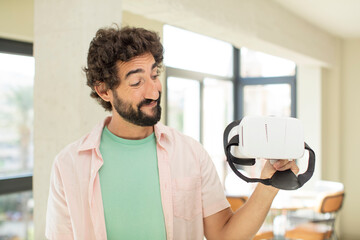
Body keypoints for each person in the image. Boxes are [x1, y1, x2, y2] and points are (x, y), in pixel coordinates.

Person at [45, 26, 299, 240]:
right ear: (104, 91)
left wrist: (268, 185)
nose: (154, 91)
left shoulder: (190, 153)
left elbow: (223, 234)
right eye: (136, 82)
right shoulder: (69, 166)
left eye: (154, 75)